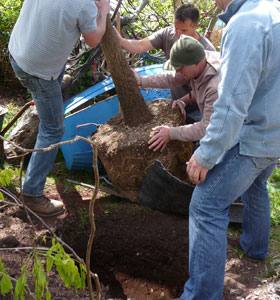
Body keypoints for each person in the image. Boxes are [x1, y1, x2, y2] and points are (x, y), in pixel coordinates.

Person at [175, 0, 280, 298]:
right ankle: (255, 248)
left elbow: (230, 106)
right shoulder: (279, 11)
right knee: (256, 186)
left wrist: (206, 154)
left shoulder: (245, 24)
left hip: (259, 135)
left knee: (205, 205)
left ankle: (201, 295)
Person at [8, 0, 110, 217]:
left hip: (18, 51)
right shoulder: (86, 6)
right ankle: (32, 194)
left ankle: (52, 94)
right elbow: (93, 40)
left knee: (54, 91)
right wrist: (103, 10)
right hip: (37, 71)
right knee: (53, 128)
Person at [132, 35, 220, 152]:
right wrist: (142, 81)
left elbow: (207, 128)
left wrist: (171, 133)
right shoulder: (200, 58)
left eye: (180, 68)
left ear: (197, 63)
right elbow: (173, 78)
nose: (177, 71)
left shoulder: (215, 86)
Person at [115, 3, 216, 101]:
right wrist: (120, 41)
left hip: (199, 106)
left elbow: (204, 88)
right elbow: (141, 45)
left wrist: (183, 102)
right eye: (176, 29)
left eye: (184, 30)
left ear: (196, 26)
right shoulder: (168, 34)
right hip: (176, 100)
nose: (179, 34)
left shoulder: (206, 50)